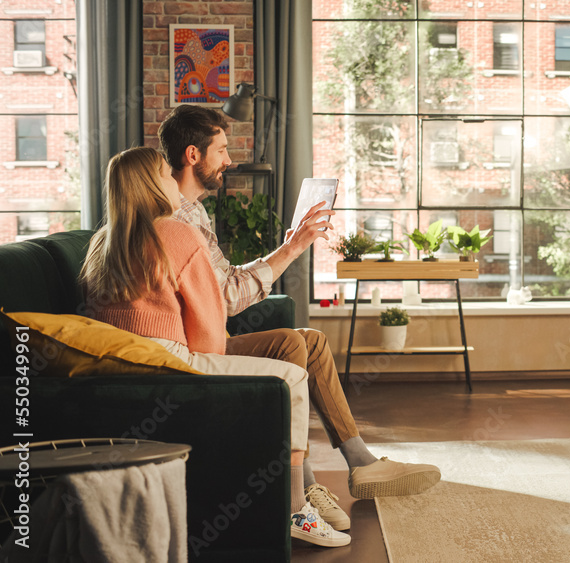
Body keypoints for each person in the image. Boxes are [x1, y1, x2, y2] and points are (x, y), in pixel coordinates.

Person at [157, 105, 440, 525]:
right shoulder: (177, 220)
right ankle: (302, 485)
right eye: (222, 149)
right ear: (193, 155)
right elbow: (227, 299)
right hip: (194, 347)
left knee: (312, 340)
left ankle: (360, 460)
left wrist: (287, 244)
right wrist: (292, 250)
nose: (230, 160)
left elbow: (229, 279)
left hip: (207, 336)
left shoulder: (195, 211)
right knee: (290, 341)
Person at [79, 147, 348, 548]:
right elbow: (209, 331)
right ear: (154, 184)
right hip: (172, 362)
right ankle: (295, 507)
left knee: (291, 352)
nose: (174, 183)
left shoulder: (101, 244)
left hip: (122, 366)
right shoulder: (175, 232)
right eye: (167, 177)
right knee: (290, 377)